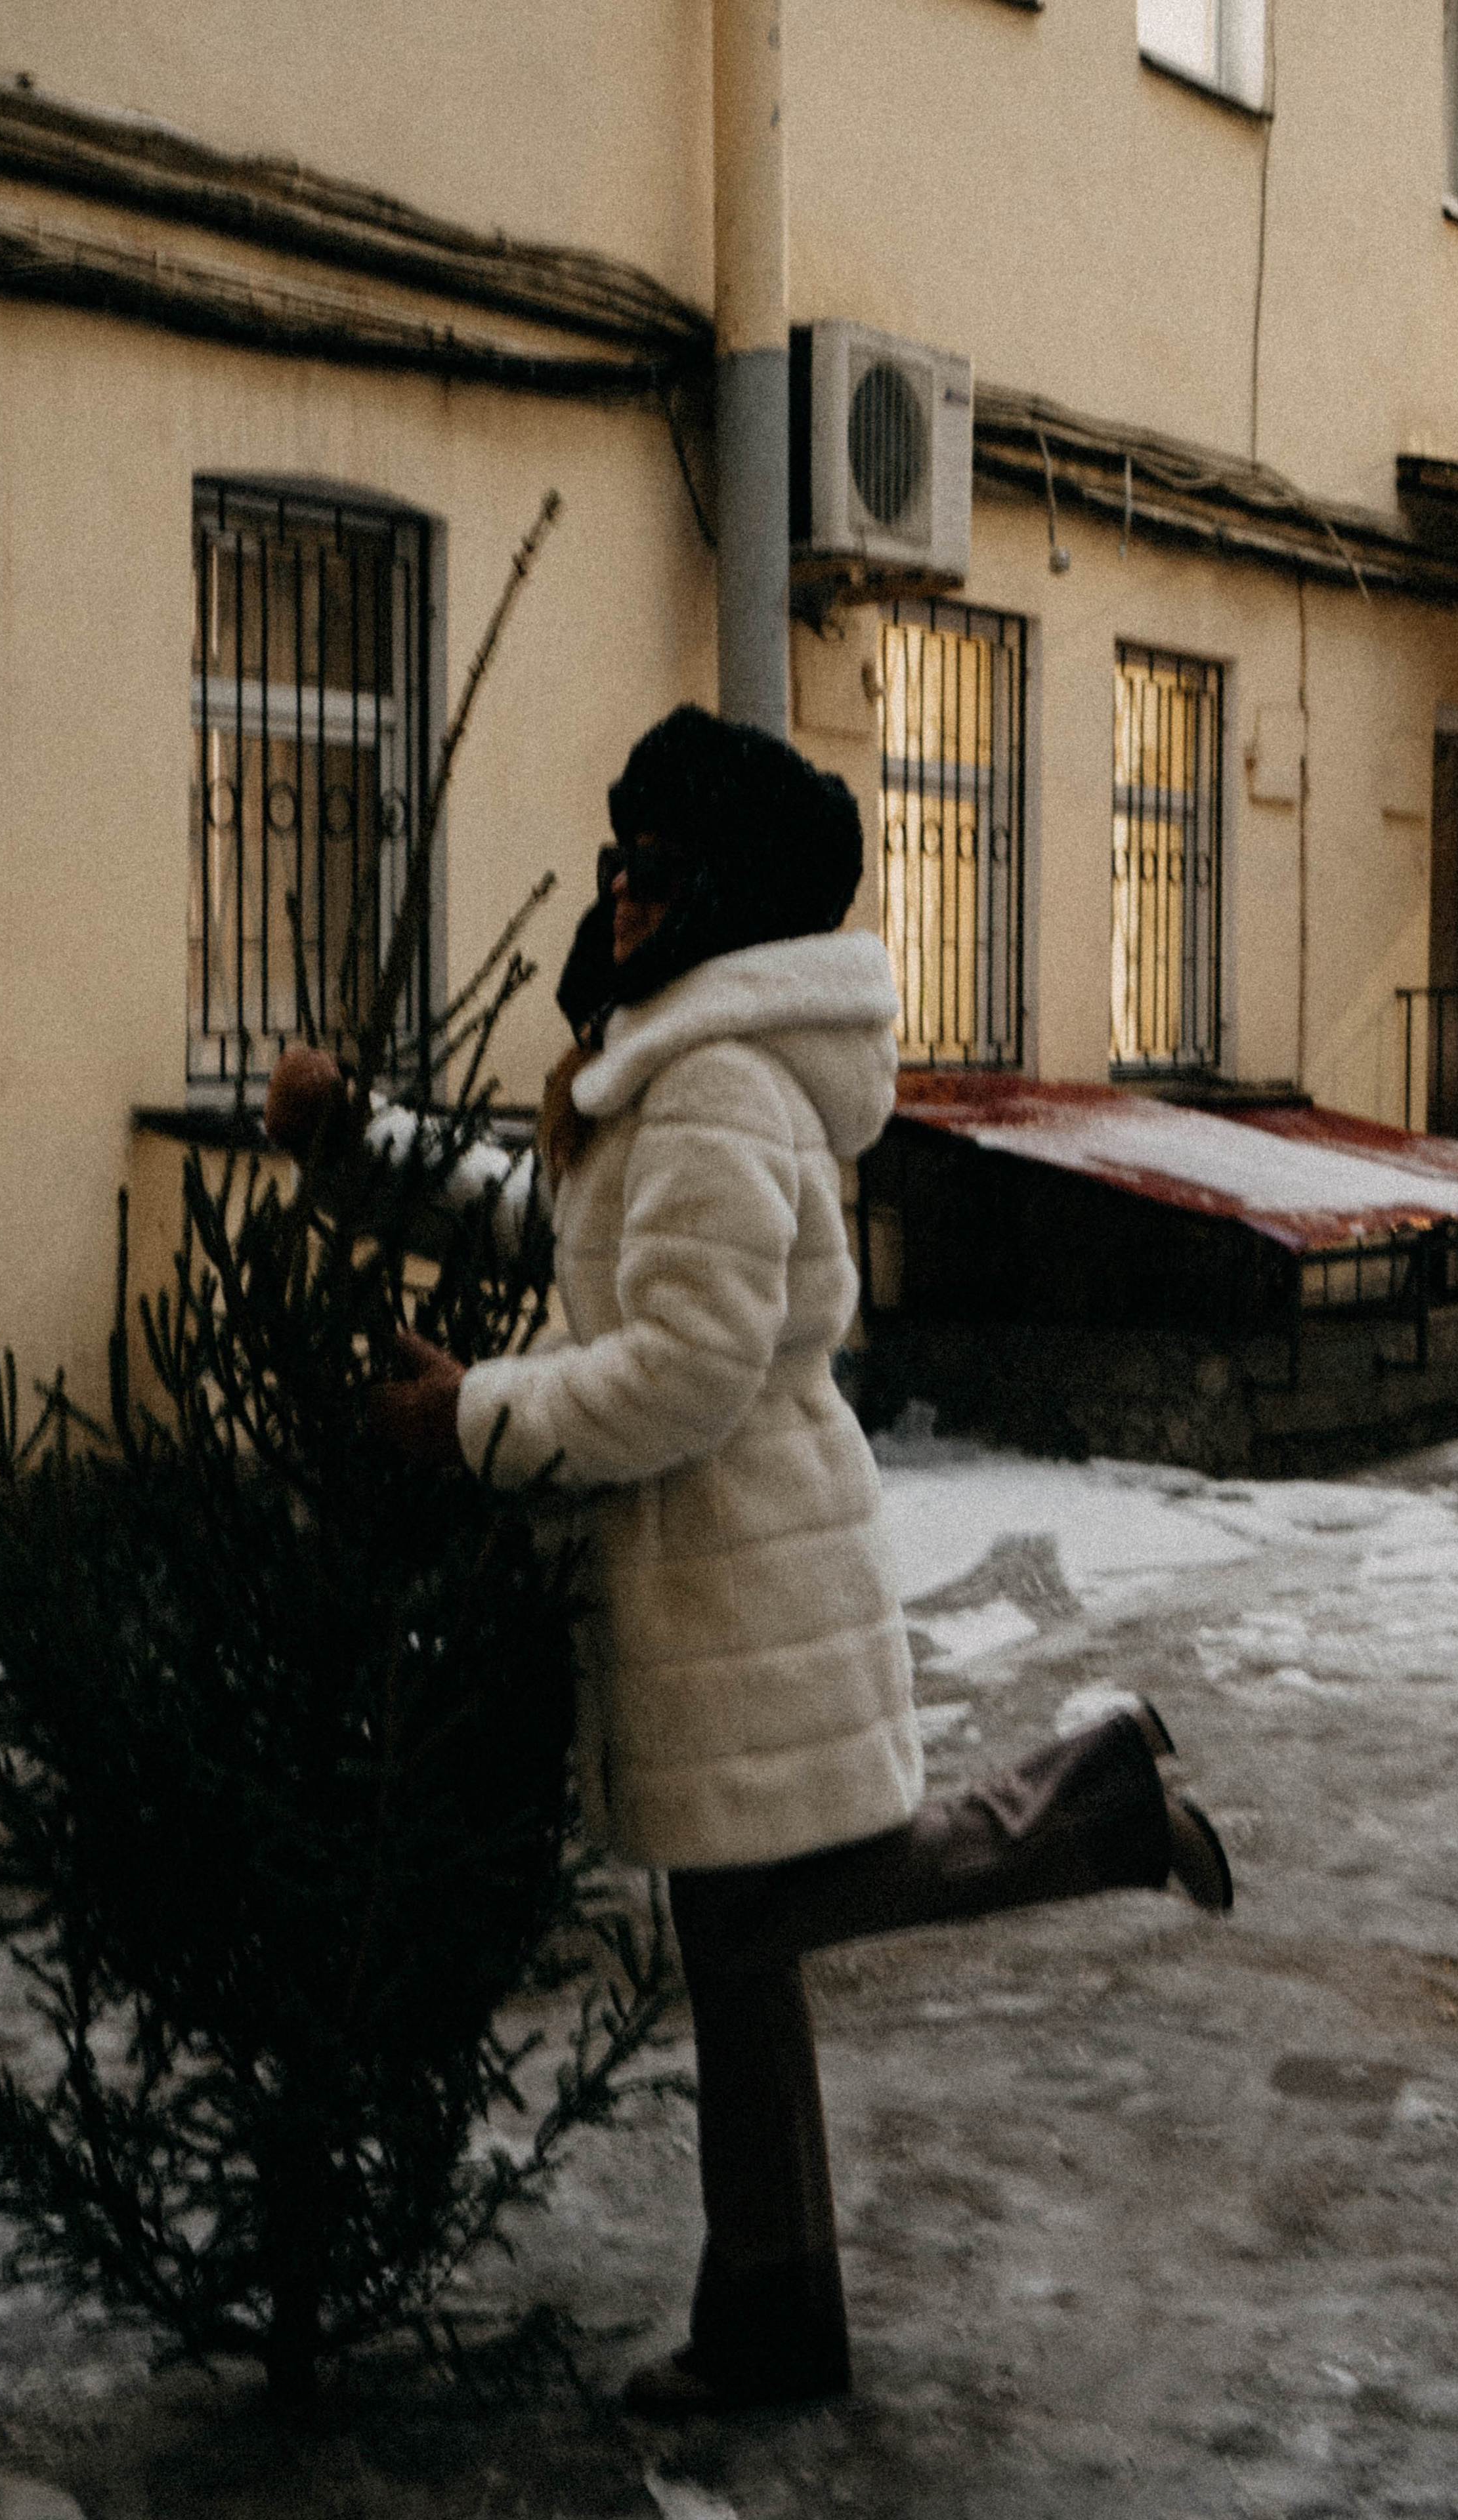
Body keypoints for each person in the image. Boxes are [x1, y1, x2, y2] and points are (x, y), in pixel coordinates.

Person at [265, 703, 1233, 2418]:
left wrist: (472, 1413)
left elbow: (685, 1370)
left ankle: (1098, 1807)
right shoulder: (669, 1068)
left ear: (721, 892)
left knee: (778, 1901)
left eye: (659, 864)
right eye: (619, 854)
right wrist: (362, 1148)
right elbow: (541, 1217)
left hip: (734, 1573)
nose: (623, 886)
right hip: (714, 1576)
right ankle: (777, 2316)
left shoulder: (711, 1081)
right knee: (742, 1951)